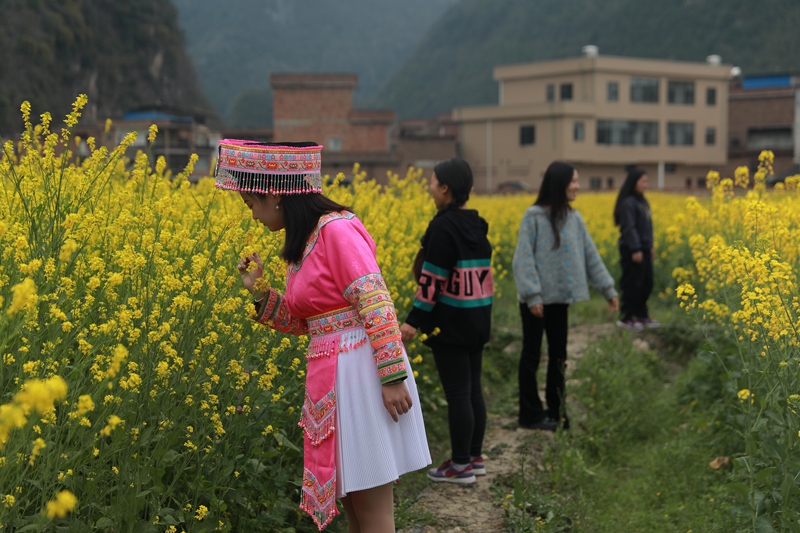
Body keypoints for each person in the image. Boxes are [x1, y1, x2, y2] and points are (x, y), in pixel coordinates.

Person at [217, 140, 430, 533]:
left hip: (361, 377)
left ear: (276, 195)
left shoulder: (337, 230)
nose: (252, 216)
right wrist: (261, 293)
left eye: (251, 205)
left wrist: (392, 376)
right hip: (331, 379)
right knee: (354, 508)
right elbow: (311, 323)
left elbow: (375, 301)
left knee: (373, 512)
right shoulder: (305, 242)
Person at [399, 158, 493, 485]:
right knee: (472, 391)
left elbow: (432, 280)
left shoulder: (443, 227)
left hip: (451, 322)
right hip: (478, 318)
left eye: (432, 182)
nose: (429, 188)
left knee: (457, 393)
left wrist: (413, 321)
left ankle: (461, 465)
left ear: (445, 188)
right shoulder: (476, 224)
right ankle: (475, 456)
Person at [512, 161, 618, 431]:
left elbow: (591, 256)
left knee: (559, 357)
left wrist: (608, 289)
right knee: (532, 355)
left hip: (559, 299)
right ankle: (529, 414)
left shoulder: (574, 218)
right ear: (559, 184)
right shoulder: (533, 216)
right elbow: (522, 260)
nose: (578, 186)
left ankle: (556, 412)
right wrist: (533, 295)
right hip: (534, 303)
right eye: (573, 181)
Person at [613, 168, 659, 330]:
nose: (646, 184)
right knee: (632, 283)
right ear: (634, 183)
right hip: (632, 250)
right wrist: (635, 249)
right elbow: (629, 228)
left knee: (646, 283)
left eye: (647, 181)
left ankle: (641, 315)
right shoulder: (628, 203)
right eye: (643, 181)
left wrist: (650, 246)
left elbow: (648, 226)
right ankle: (627, 317)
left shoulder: (642, 201)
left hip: (643, 249)